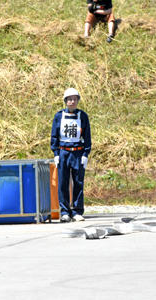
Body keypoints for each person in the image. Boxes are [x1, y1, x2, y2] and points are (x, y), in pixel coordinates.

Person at [50, 88, 92, 222]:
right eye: (69, 99)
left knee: (78, 182)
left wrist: (85, 153)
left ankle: (77, 211)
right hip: (63, 152)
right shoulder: (59, 116)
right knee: (63, 183)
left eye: (74, 99)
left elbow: (87, 136)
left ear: (78, 101)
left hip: (78, 152)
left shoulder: (83, 116)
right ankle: (65, 212)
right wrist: (56, 153)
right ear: (65, 101)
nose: (72, 102)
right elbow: (54, 135)